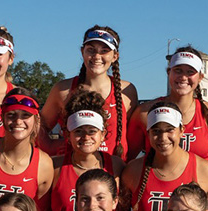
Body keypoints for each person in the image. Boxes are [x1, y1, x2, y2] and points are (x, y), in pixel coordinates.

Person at [121, 102, 208, 211]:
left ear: (182, 130)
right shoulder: (133, 171)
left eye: (170, 130)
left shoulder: (205, 171)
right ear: (148, 133)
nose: (163, 138)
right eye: (156, 131)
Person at [40, 26, 137, 159]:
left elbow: (134, 135)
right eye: (91, 50)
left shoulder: (126, 91)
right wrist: (53, 146)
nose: (97, 56)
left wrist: (125, 164)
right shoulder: (64, 89)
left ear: (115, 56)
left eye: (104, 51)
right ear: (82, 52)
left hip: (112, 173)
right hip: (74, 171)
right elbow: (40, 126)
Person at [127, 46, 208, 162]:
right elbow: (127, 160)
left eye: (190, 72)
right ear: (169, 72)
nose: (183, 77)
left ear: (200, 77)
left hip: (199, 180)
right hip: (156, 179)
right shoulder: (145, 113)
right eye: (178, 70)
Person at [45, 89, 126, 211]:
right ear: (67, 134)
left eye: (92, 131)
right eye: (78, 131)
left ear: (103, 134)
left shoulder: (116, 166)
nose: (86, 137)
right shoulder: (53, 167)